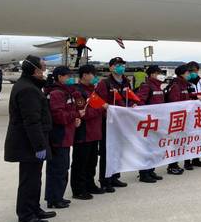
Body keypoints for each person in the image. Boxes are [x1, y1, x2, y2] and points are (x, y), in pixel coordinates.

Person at [4, 55, 56, 222]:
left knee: (35, 178)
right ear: (35, 70)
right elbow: (31, 121)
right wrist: (39, 146)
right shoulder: (28, 90)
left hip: (31, 142)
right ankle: (26, 216)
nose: (45, 69)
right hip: (29, 144)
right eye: (43, 67)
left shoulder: (30, 86)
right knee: (29, 180)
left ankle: (34, 208)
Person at [45, 66, 82, 209]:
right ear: (60, 77)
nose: (70, 79)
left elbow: (69, 111)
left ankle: (57, 196)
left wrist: (75, 117)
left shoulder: (66, 92)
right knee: (58, 168)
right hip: (59, 136)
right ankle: (54, 199)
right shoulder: (57, 93)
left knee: (62, 167)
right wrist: (74, 116)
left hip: (65, 135)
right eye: (68, 76)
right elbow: (59, 116)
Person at [95, 57, 132, 192]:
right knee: (107, 152)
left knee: (118, 150)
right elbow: (98, 101)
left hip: (122, 123)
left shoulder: (126, 82)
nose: (120, 67)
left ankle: (115, 176)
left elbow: (129, 98)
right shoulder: (104, 83)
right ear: (110, 67)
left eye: (122, 64)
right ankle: (105, 180)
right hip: (108, 123)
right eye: (117, 65)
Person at [71, 65, 105, 199]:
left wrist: (100, 108)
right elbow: (83, 113)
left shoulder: (92, 91)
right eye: (92, 74)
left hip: (94, 133)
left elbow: (101, 105)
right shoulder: (78, 92)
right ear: (84, 75)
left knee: (92, 162)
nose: (94, 77)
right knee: (80, 162)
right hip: (84, 134)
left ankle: (90, 184)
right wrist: (99, 109)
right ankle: (78, 189)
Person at [135, 65, 167, 181]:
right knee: (147, 148)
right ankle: (144, 173)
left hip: (157, 121)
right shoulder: (146, 86)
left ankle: (151, 170)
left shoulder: (158, 87)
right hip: (149, 122)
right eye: (159, 73)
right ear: (152, 74)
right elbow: (140, 101)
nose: (161, 75)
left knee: (154, 147)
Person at [164, 65, 191, 174]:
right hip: (177, 118)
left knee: (179, 142)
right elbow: (174, 102)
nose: (189, 75)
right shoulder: (176, 86)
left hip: (182, 117)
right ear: (182, 74)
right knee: (174, 142)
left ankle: (174, 164)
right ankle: (172, 166)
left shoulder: (183, 85)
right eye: (187, 73)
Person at [185, 61, 201, 168]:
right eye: (190, 71)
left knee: (198, 136)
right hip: (189, 112)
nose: (193, 73)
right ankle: (187, 161)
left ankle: (196, 158)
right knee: (188, 137)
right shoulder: (185, 82)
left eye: (194, 71)